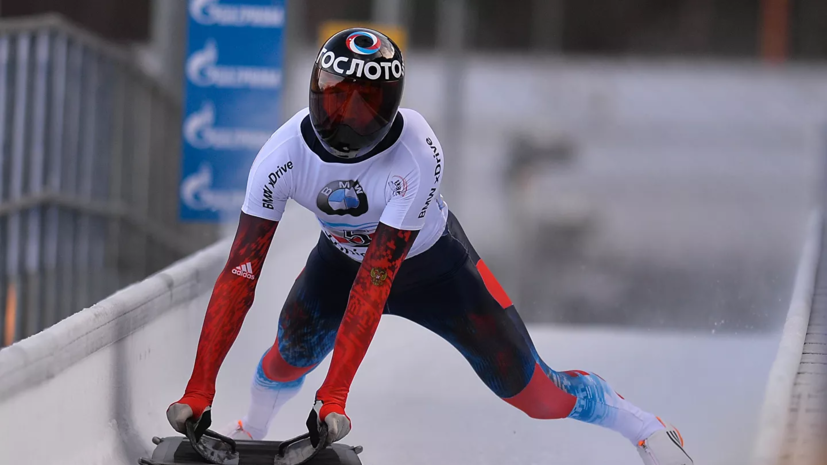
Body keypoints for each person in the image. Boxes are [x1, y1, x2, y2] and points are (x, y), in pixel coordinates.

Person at [166, 28, 693, 465]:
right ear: (314, 90)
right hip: (341, 262)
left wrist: (336, 395)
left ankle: (643, 427)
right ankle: (252, 428)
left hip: (435, 271)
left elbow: (376, 281)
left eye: (364, 105)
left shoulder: (417, 151)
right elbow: (241, 272)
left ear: (392, 106)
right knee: (288, 356)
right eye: (335, 98)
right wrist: (198, 389)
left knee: (537, 394)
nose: (345, 118)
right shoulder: (280, 155)